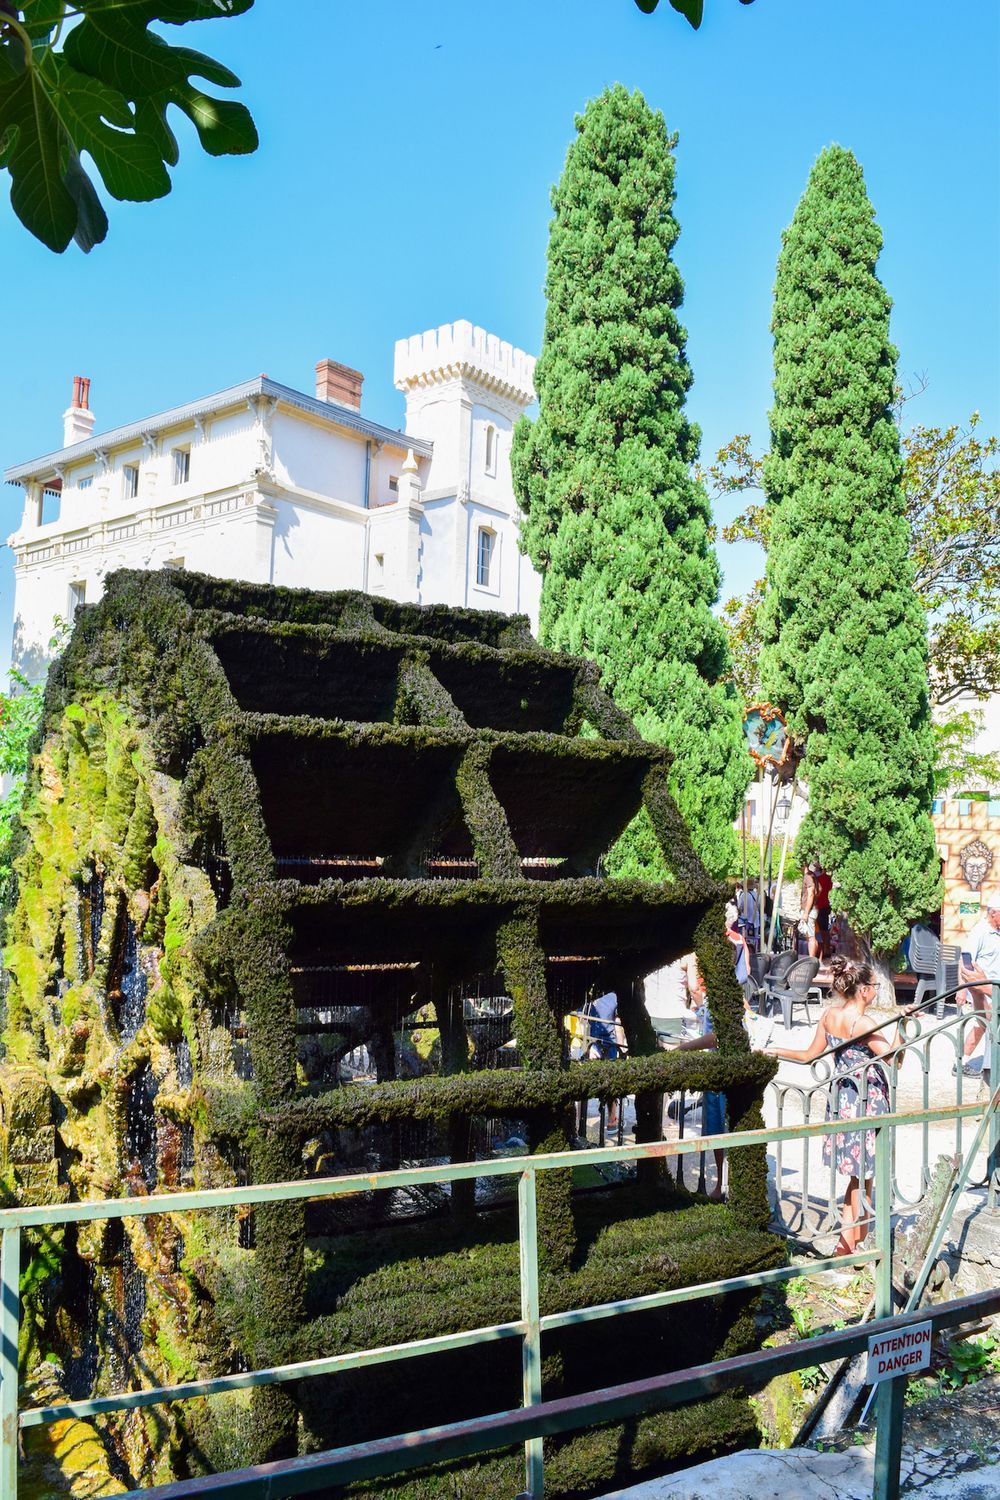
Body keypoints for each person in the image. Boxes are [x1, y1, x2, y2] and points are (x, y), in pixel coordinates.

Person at [765, 957, 898, 1256]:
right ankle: (848, 1243)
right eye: (874, 986)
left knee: (858, 1173)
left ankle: (855, 1238)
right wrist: (900, 1025)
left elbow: (808, 1056)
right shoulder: (863, 1023)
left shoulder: (829, 1016)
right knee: (864, 1174)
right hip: (867, 1097)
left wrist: (775, 1050)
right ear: (863, 990)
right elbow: (893, 1059)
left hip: (841, 1098)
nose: (876, 991)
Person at [671, 963, 727, 1201]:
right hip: (715, 1073)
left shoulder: (723, 996)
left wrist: (683, 1049)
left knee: (727, 1129)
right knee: (715, 1131)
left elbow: (717, 1037)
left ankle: (727, 1184)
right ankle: (721, 1183)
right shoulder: (713, 996)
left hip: (724, 1074)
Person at [957, 895, 1000, 1075]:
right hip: (982, 989)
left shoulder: (997, 932)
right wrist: (962, 991)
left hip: (994, 990)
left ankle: (961, 1062)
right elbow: (964, 961)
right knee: (986, 1025)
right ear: (993, 913)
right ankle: (968, 1064)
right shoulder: (980, 932)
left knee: (984, 1026)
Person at [587, 988, 625, 1130]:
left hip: (593, 1042)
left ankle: (579, 1119)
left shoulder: (589, 993)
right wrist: (623, 1049)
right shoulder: (614, 995)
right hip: (608, 1044)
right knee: (611, 1081)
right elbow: (617, 1025)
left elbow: (582, 1020)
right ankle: (612, 1120)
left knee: (587, 1080)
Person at [801, 861, 833, 960]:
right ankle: (825, 950)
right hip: (823, 905)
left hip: (817, 906)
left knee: (814, 934)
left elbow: (813, 892)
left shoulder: (813, 878)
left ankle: (817, 955)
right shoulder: (827, 878)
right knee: (823, 930)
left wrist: (807, 910)